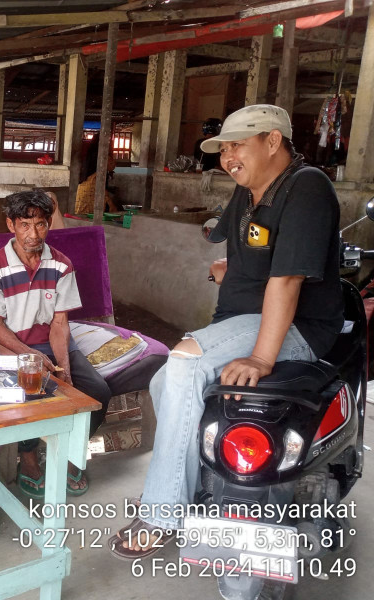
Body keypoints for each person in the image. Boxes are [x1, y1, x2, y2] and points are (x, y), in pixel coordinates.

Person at [109, 104, 343, 559]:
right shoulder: (251, 189)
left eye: (238, 144)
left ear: (273, 141)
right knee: (164, 380)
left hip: (295, 327)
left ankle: (162, 513)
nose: (227, 156)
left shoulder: (306, 187)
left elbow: (287, 279)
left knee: (185, 363)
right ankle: (190, 482)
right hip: (243, 317)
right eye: (223, 148)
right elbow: (246, 241)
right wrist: (229, 264)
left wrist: (260, 357)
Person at [0, 190, 116, 497]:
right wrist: (30, 358)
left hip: (54, 342)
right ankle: (27, 457)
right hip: (13, 346)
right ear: (11, 225)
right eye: (25, 224)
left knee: (98, 392)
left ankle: (68, 453)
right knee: (30, 394)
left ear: (49, 224)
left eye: (40, 224)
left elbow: (60, 323)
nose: (33, 233)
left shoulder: (61, 265)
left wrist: (63, 366)